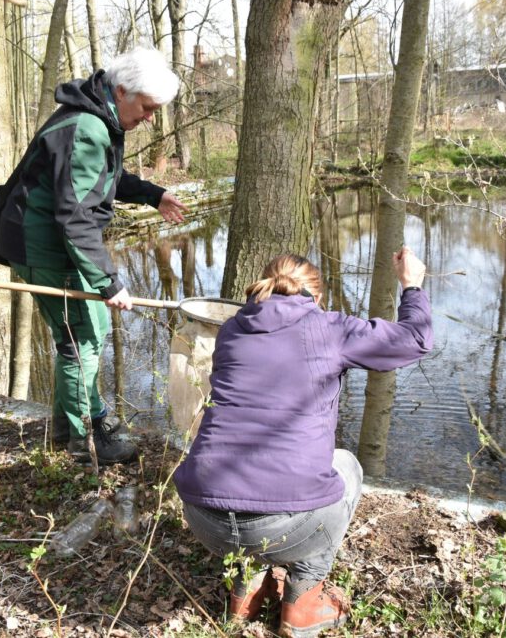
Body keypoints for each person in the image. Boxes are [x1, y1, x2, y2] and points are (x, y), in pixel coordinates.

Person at [173, 249, 432, 637]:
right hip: (279, 523)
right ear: (318, 297)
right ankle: (303, 604)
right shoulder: (331, 328)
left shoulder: (231, 331)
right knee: (347, 466)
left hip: (202, 516)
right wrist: (411, 285)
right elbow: (416, 339)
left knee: (253, 488)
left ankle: (245, 594)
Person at [0, 48, 188, 464]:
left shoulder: (97, 118)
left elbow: (107, 177)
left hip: (50, 244)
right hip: (48, 248)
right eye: (147, 107)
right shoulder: (86, 128)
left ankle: (72, 424)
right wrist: (108, 280)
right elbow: (75, 216)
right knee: (81, 338)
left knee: (85, 332)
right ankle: (85, 442)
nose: (150, 118)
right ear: (121, 92)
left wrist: (154, 195)